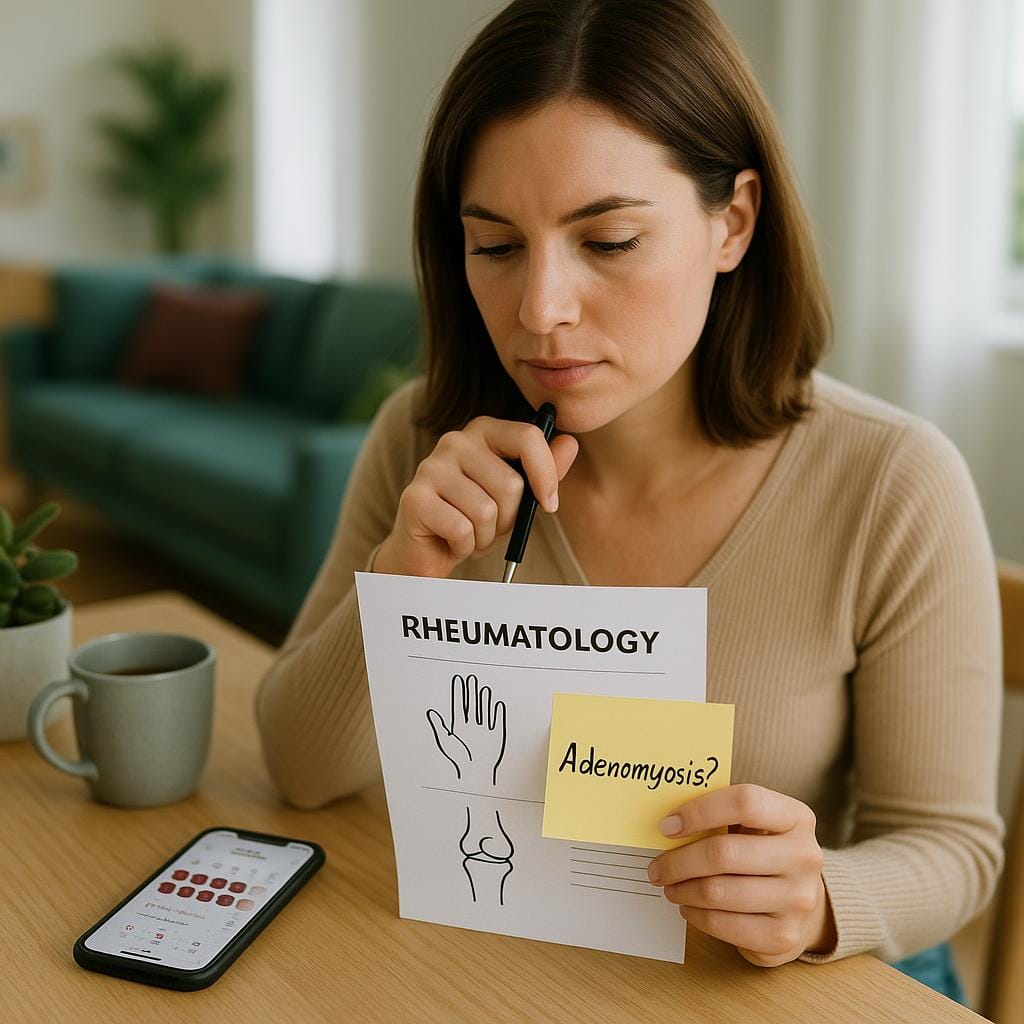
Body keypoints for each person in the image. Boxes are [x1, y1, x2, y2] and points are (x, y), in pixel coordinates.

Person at [256, 0, 1002, 1001]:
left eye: (606, 241)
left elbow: (953, 850)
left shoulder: (892, 481)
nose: (539, 310)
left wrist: (822, 893)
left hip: (772, 988)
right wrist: (403, 585)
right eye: (496, 245)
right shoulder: (422, 440)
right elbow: (299, 771)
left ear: (732, 222)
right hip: (505, 971)